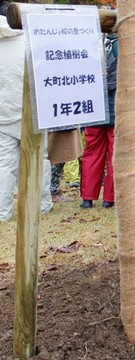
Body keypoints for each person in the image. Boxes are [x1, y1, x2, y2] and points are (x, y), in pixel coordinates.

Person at [0, 6, 53, 221]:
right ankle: (42, 204)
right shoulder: (31, 38)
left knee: (5, 163)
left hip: (3, 113)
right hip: (34, 110)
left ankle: (3, 211)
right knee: (39, 159)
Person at [79, 35, 117, 209]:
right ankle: (109, 199)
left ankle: (88, 198)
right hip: (117, 108)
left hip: (92, 107)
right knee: (116, 156)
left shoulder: (88, 42)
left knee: (92, 153)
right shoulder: (122, 43)